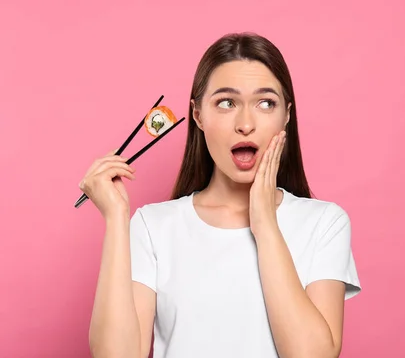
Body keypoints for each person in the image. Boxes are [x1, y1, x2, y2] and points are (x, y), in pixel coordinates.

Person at [79, 32, 361, 358]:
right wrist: (116, 219)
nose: (245, 123)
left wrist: (265, 223)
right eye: (226, 103)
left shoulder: (324, 223)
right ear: (198, 115)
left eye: (265, 102)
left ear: (286, 114)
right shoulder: (153, 226)